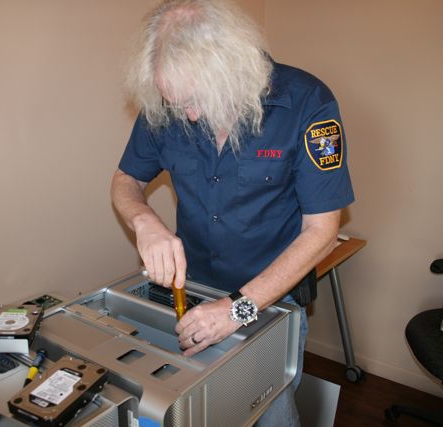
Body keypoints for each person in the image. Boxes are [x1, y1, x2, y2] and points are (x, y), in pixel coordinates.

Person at [110, 0, 354, 425]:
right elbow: (124, 181)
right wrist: (144, 221)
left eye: (195, 100)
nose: (188, 115)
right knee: (203, 411)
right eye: (176, 103)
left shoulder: (307, 103)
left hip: (270, 300)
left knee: (269, 411)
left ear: (232, 68)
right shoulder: (171, 103)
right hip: (194, 294)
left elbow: (323, 231)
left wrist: (237, 309)